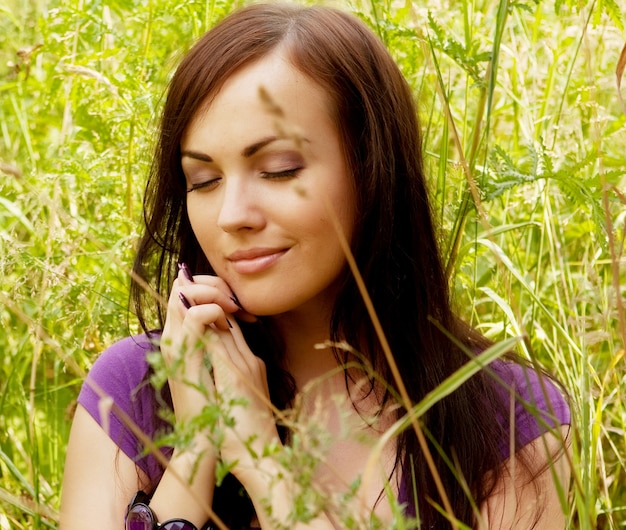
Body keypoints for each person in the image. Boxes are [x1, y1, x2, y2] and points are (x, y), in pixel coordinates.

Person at [60, 3, 571, 529]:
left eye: (278, 170)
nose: (232, 215)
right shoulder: (131, 391)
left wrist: (263, 464)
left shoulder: (507, 419)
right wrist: (194, 451)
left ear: (372, 168)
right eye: (204, 180)